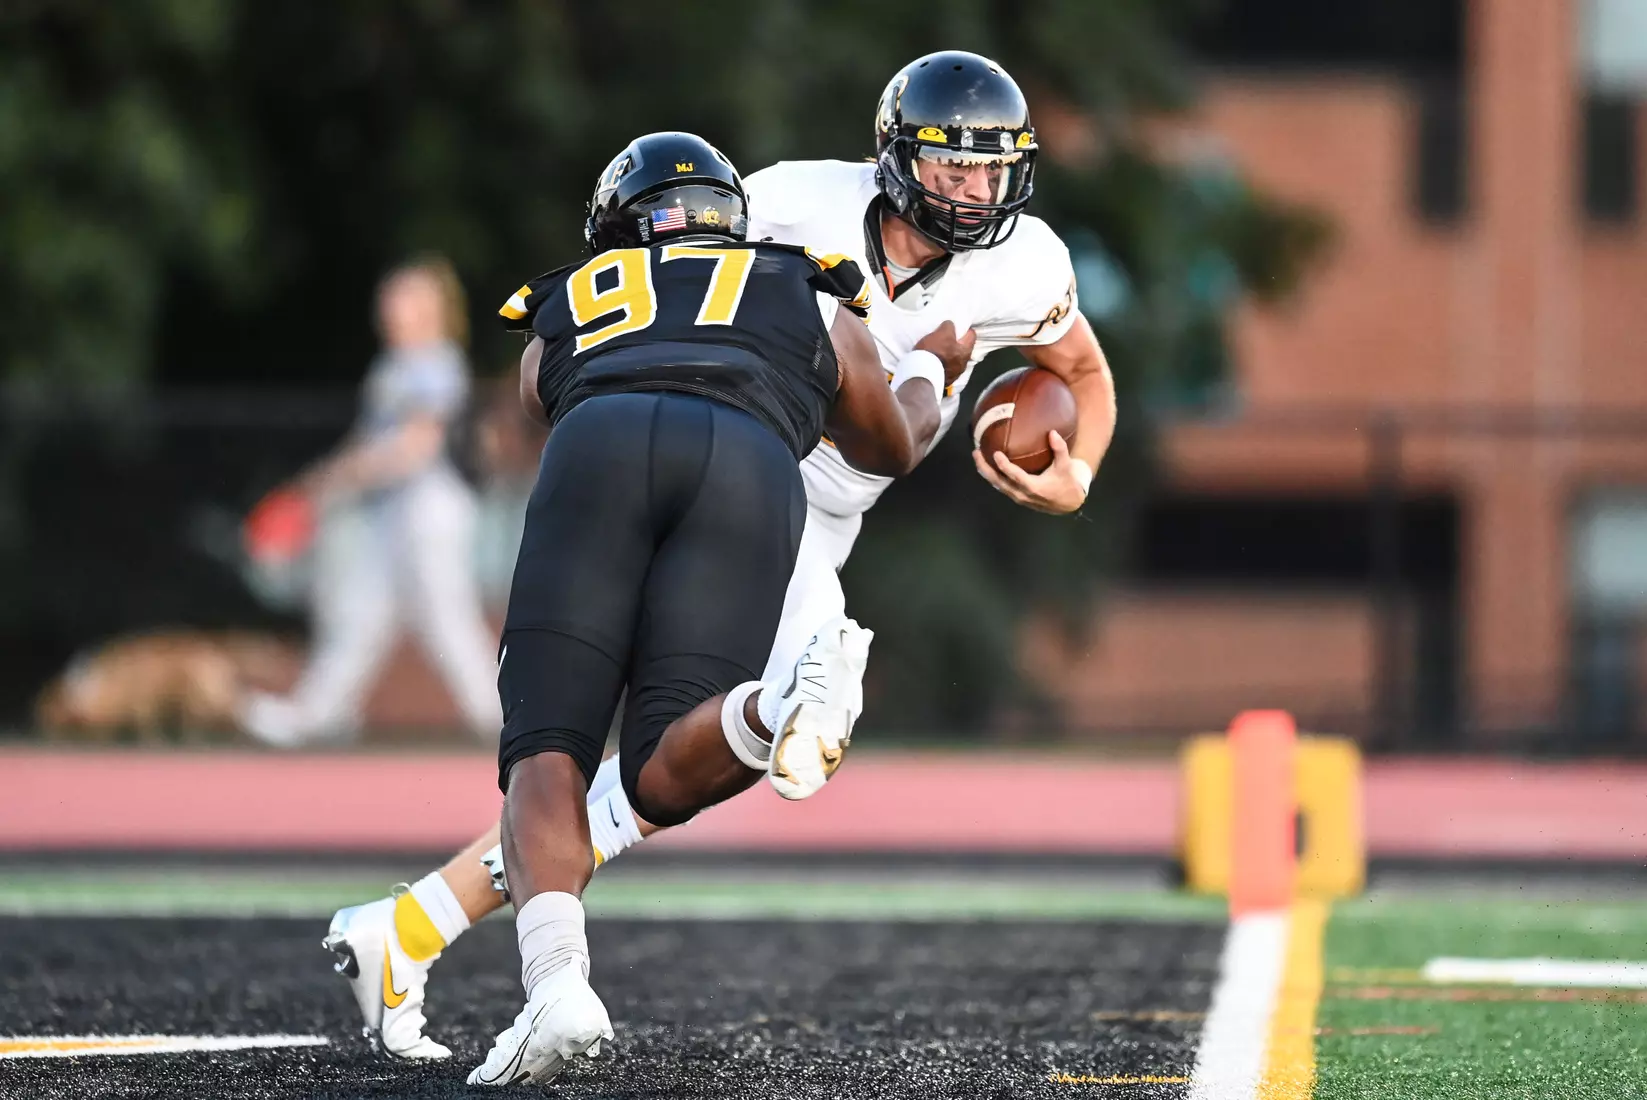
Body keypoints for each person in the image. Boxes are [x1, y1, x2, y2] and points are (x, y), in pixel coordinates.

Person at [324, 50, 1117, 1059]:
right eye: (954, 165)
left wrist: (1079, 466)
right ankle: (794, 689)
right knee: (771, 712)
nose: (974, 190)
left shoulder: (1028, 262)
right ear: (897, 157)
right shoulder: (790, 205)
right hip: (749, 467)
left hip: (802, 504)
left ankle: (415, 923)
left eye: (993, 169)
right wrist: (919, 374)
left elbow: (1080, 365)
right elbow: (704, 290)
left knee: (660, 766)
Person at [238, 257, 504, 746]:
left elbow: (415, 444)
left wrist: (335, 480)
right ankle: (314, 717)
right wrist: (321, 482)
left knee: (447, 620)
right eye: (389, 297)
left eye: (403, 297)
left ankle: (501, 724)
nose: (389, 308)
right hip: (393, 510)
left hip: (431, 509)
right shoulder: (394, 367)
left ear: (433, 308)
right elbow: (368, 443)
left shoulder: (436, 362)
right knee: (361, 616)